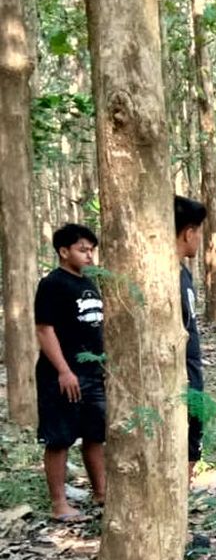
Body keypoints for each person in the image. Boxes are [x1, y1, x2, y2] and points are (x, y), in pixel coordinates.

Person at [35, 223, 106, 522]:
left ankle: (102, 493)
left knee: (95, 435)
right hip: (61, 376)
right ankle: (59, 504)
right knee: (60, 438)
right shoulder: (53, 284)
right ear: (64, 252)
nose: (89, 255)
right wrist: (64, 371)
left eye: (91, 250)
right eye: (82, 250)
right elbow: (44, 329)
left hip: (93, 372)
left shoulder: (89, 282)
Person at [175, 195, 209, 483]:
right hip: (179, 377)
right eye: (198, 233)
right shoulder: (166, 276)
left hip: (191, 370)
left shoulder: (182, 272)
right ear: (189, 233)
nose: (199, 240)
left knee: (191, 438)